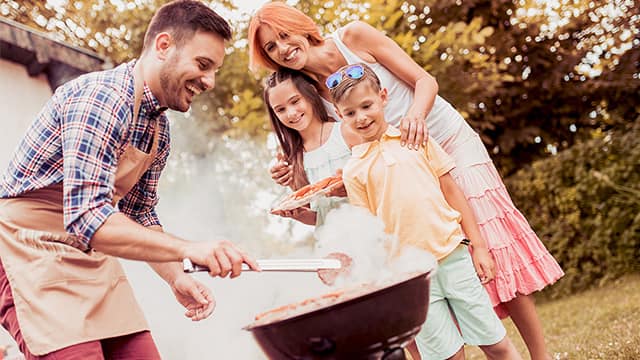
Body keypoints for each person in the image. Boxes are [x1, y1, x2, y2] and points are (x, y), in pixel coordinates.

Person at [248, 3, 564, 359]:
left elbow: (424, 80)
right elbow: (328, 140)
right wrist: (294, 170)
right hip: (401, 167)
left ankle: (539, 356)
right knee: (441, 252)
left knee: (490, 240)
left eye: (283, 36)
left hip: (443, 139)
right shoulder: (305, 89)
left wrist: (415, 117)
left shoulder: (353, 37)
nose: (283, 49)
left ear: (301, 27)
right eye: (271, 48)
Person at [0, 1, 258, 358]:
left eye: (214, 69)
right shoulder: (100, 98)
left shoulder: (158, 128)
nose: (209, 81)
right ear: (163, 45)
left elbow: (140, 216)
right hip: (30, 250)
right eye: (203, 65)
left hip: (91, 257)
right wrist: (189, 248)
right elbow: (88, 217)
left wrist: (175, 277)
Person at [330, 62, 520, 359]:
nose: (361, 117)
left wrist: (479, 247)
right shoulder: (353, 171)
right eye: (350, 113)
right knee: (448, 356)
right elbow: (367, 233)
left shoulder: (417, 138)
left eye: (366, 105)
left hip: (453, 259)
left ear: (383, 97)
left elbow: (452, 191)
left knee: (496, 344)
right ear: (340, 116)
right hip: (411, 278)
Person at [263, 68, 361, 226]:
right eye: (280, 110)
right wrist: (300, 215)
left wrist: (352, 188)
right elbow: (321, 217)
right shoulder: (292, 158)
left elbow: (381, 183)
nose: (291, 113)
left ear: (311, 93)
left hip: (372, 232)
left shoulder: (346, 132)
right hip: (332, 241)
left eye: (295, 101)